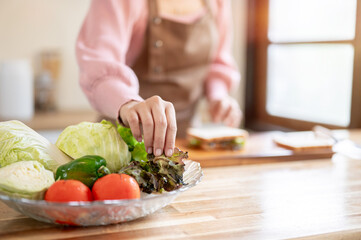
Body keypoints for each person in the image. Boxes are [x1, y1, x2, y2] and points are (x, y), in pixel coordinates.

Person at [76, 0, 241, 157]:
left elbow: (218, 60)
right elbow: (98, 65)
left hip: (187, 143)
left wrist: (218, 96)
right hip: (124, 142)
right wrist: (130, 104)